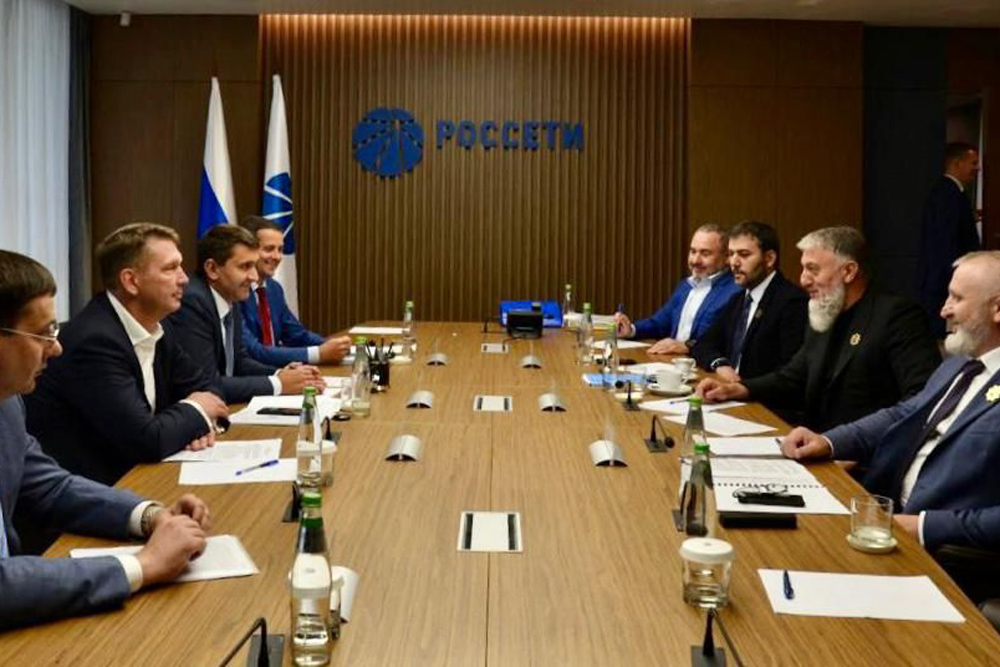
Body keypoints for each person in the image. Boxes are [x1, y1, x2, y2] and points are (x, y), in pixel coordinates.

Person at [0, 249, 211, 630]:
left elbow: (49, 486)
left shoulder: (7, 403)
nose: (57, 347)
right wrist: (142, 565)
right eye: (43, 333)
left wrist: (150, 516)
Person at [781, 251, 1000, 560]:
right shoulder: (958, 364)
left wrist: (924, 527)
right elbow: (904, 414)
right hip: (879, 516)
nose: (944, 310)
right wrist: (829, 442)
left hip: (947, 553)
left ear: (997, 309)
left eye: (957, 298)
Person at [25, 223, 228, 487]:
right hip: (94, 490)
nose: (184, 278)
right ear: (131, 281)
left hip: (141, 476)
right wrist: (196, 413)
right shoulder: (94, 341)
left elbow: (208, 388)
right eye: (170, 268)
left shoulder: (159, 326)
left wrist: (195, 425)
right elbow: (146, 441)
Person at [698, 226, 940, 432]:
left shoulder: (897, 317)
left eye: (813, 269)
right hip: (813, 446)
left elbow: (922, 400)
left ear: (849, 271)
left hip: (863, 459)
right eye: (803, 269)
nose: (803, 280)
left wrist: (850, 445)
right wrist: (737, 389)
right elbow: (793, 377)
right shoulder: (826, 313)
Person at [168, 225, 325, 404]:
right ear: (212, 269)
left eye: (254, 266)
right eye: (245, 267)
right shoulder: (192, 302)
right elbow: (205, 384)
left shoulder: (231, 296)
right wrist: (279, 384)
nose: (253, 277)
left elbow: (239, 361)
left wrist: (280, 373)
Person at [691, 221, 807, 382]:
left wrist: (744, 389)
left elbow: (789, 373)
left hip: (760, 396)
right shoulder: (738, 299)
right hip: (727, 389)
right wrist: (719, 364)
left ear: (769, 258)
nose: (734, 263)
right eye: (731, 254)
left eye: (744, 255)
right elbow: (704, 344)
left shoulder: (792, 302)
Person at [239, 215, 350, 366]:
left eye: (280, 249)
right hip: (254, 374)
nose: (277, 257)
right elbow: (254, 351)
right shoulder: (236, 291)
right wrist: (319, 353)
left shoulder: (274, 289)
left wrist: (338, 347)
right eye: (269, 249)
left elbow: (296, 335)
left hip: (281, 372)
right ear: (248, 251)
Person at [614, 224, 741, 355]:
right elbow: (659, 323)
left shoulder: (735, 292)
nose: (695, 260)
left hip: (703, 363)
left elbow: (725, 341)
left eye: (705, 253)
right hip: (671, 360)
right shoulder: (686, 285)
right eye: (693, 251)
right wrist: (631, 330)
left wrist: (687, 346)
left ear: (727, 257)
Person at [918, 142, 981, 338]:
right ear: (957, 163)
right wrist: (958, 277)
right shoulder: (949, 194)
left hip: (943, 277)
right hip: (945, 279)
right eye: (973, 163)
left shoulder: (949, 192)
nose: (977, 168)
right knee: (944, 335)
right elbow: (947, 241)